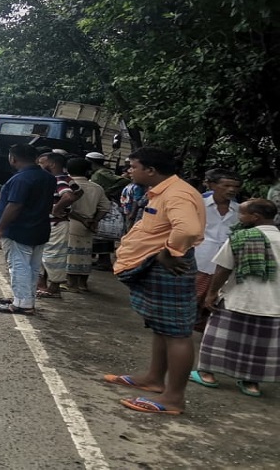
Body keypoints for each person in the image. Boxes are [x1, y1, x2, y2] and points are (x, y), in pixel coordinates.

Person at [103, 147, 205, 416]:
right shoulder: (163, 191)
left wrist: (169, 252)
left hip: (169, 267)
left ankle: (174, 399)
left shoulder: (177, 193)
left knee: (178, 333)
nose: (129, 170)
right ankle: (154, 378)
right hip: (159, 265)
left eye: (133, 166)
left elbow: (188, 229)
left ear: (150, 170)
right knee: (163, 327)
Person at [192, 199, 280, 396]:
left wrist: (212, 293)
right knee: (259, 344)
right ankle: (251, 384)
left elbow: (223, 268)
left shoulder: (242, 237)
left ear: (255, 217)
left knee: (219, 337)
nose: (239, 217)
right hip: (274, 303)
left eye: (242, 213)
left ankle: (207, 374)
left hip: (239, 297)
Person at [0, 143, 56, 315]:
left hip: (19, 229)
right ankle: (25, 298)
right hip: (40, 227)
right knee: (33, 267)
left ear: (13, 158)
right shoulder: (48, 178)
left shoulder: (21, 179)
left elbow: (15, 206)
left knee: (18, 266)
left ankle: (22, 304)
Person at [193, 169, 242, 332]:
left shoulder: (239, 210)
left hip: (225, 259)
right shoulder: (198, 204)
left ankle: (204, 324)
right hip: (199, 255)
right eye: (226, 185)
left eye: (235, 186)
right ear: (213, 185)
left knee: (214, 295)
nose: (231, 190)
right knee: (194, 292)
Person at [63, 157, 111, 293]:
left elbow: (67, 208)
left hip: (72, 222)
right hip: (89, 225)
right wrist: (95, 220)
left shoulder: (68, 185)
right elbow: (105, 207)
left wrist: (82, 219)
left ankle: (71, 283)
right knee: (85, 254)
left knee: (71, 253)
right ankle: (83, 284)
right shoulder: (97, 188)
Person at [38, 152, 79, 298]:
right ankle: (45, 285)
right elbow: (79, 192)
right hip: (56, 223)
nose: (39, 166)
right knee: (48, 255)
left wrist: (57, 209)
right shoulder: (67, 178)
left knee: (53, 257)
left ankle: (54, 288)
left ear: (52, 164)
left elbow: (68, 195)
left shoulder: (58, 180)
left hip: (56, 224)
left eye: (42, 163)